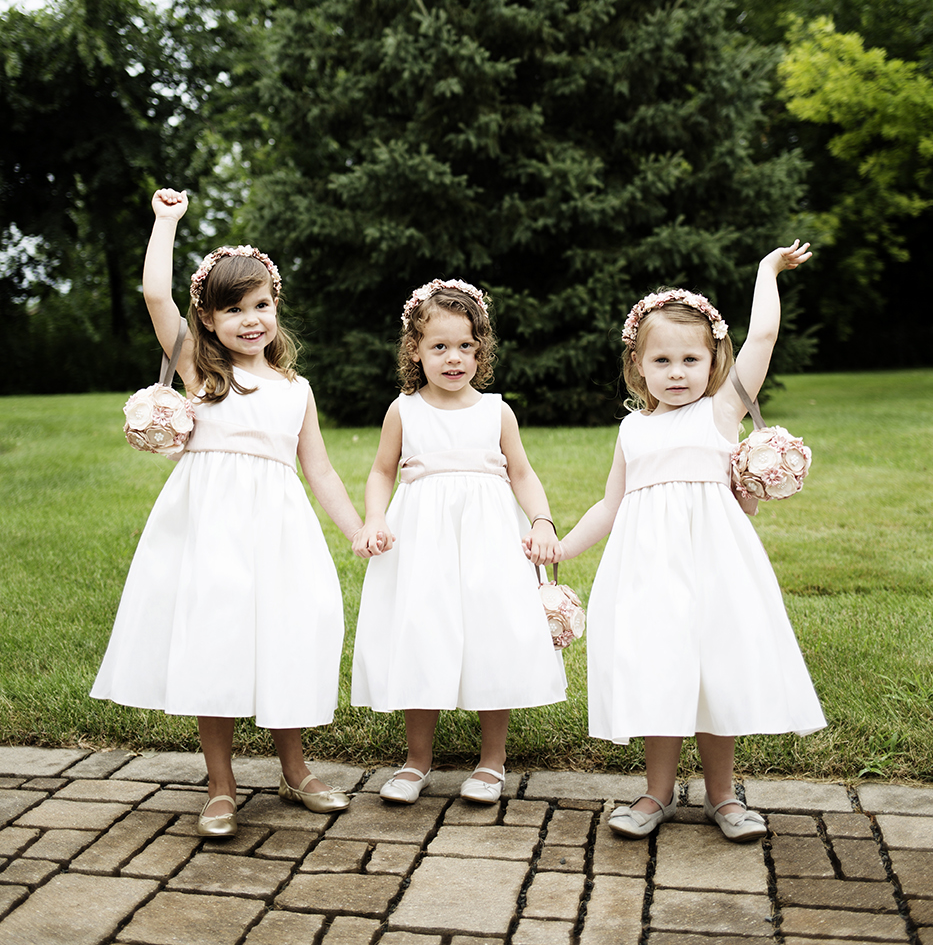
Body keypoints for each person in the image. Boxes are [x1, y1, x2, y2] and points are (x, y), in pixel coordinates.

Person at [92, 187, 365, 837]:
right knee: (214, 642)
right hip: (210, 527)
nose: (250, 319)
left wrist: (357, 528)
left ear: (276, 309)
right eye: (232, 308)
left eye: (261, 305)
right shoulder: (201, 369)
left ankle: (294, 769)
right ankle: (220, 783)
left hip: (278, 530)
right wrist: (166, 222)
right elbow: (155, 293)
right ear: (207, 319)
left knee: (285, 638)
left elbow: (318, 468)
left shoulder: (296, 389)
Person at [558, 243, 825, 842]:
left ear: (714, 363)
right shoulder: (633, 427)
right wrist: (565, 547)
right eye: (662, 361)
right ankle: (656, 793)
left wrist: (766, 271)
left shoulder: (722, 412)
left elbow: (762, 339)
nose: (677, 373)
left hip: (715, 564)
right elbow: (611, 502)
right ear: (639, 367)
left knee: (716, 667)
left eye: (690, 360)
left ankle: (722, 795)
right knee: (660, 666)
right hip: (649, 568)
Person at [350, 278, 566, 804]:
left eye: (465, 346)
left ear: (481, 349)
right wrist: (374, 518)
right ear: (415, 351)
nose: (453, 358)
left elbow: (521, 472)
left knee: (492, 634)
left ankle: (493, 760)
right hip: (422, 539)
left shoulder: (496, 410)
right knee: (422, 631)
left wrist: (541, 521)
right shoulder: (404, 410)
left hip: (489, 537)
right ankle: (416, 760)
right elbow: (382, 471)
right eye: (439, 347)